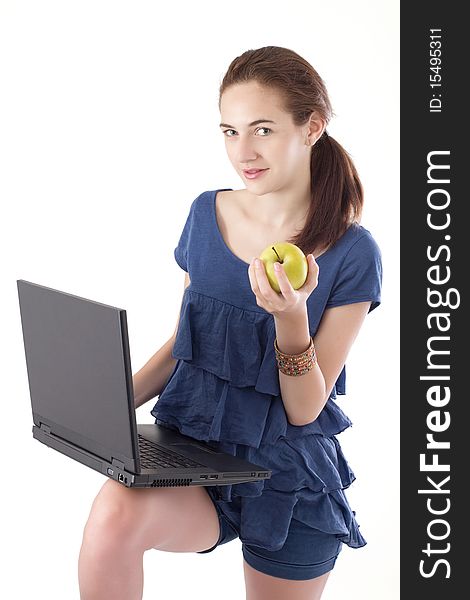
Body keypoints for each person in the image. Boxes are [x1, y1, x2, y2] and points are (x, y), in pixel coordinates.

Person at [78, 45, 383, 600]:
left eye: (262, 129)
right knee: (113, 517)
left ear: (311, 127)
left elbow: (305, 408)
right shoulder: (205, 212)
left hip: (288, 481)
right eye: (229, 131)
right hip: (197, 451)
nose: (243, 151)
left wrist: (291, 319)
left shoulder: (353, 251)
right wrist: (110, 403)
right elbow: (185, 342)